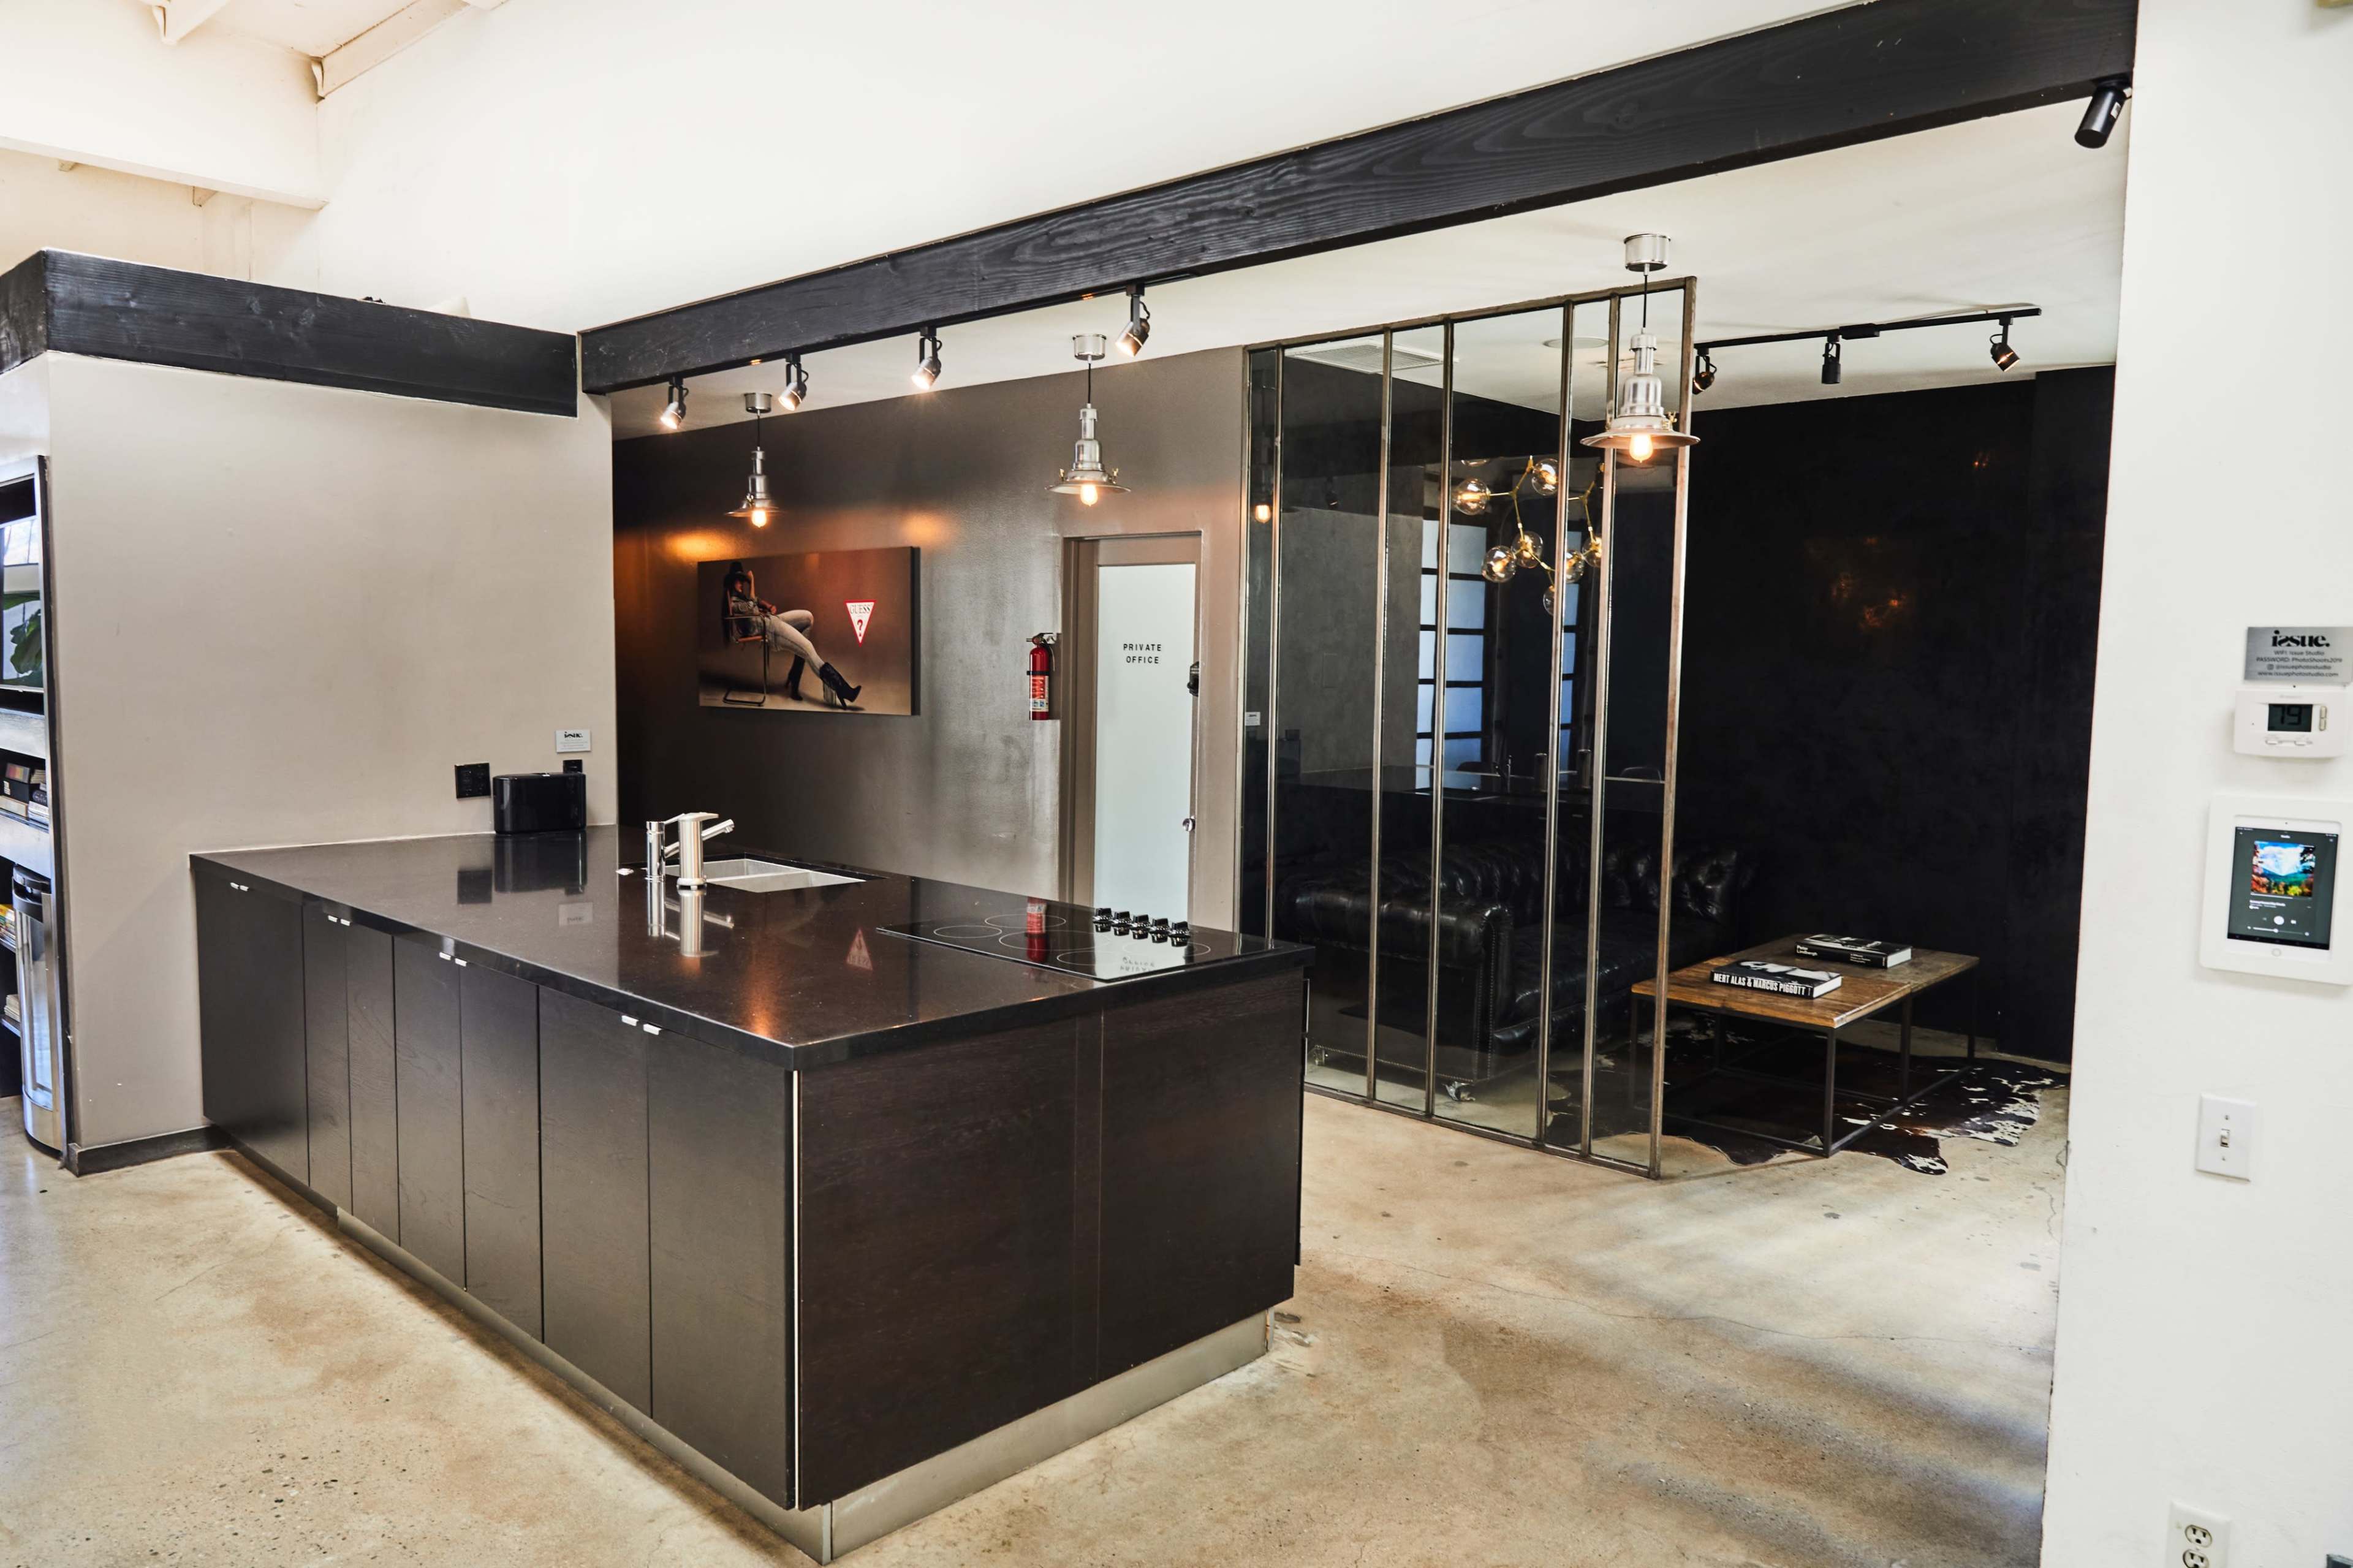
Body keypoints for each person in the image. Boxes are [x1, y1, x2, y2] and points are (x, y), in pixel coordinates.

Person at [722, 562, 861, 708]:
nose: (740, 584)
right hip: (770, 630)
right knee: (807, 647)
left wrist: (769, 606)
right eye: (737, 581)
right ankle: (843, 690)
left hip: (773, 621)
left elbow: (756, 600)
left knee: (808, 617)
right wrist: (753, 583)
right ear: (731, 583)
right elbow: (751, 605)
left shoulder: (743, 598)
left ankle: (795, 674)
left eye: (741, 580)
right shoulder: (734, 603)